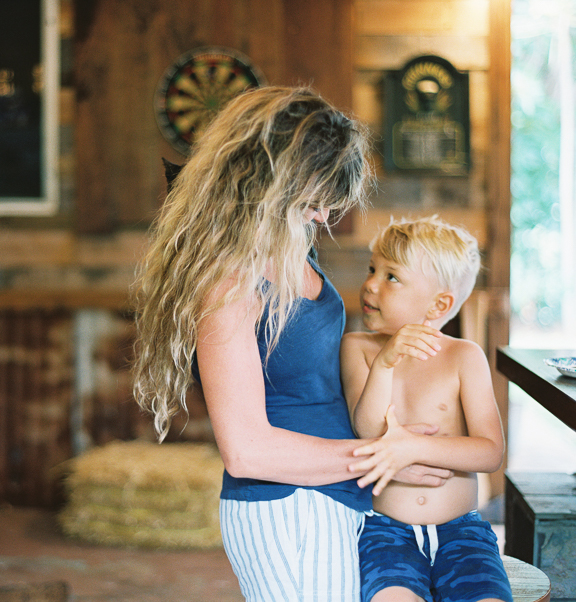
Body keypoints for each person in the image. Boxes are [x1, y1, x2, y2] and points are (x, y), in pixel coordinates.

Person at [132, 86, 451, 601]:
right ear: (269, 184)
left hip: (335, 491)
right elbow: (246, 449)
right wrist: (382, 458)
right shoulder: (229, 283)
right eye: (314, 199)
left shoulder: (284, 246)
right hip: (287, 504)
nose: (324, 216)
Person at [340, 215, 512, 602]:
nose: (370, 284)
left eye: (391, 277)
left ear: (439, 304)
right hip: (385, 530)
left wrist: (411, 448)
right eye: (372, 269)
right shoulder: (358, 347)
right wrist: (384, 363)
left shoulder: (464, 356)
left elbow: (489, 452)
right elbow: (366, 429)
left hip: (461, 531)